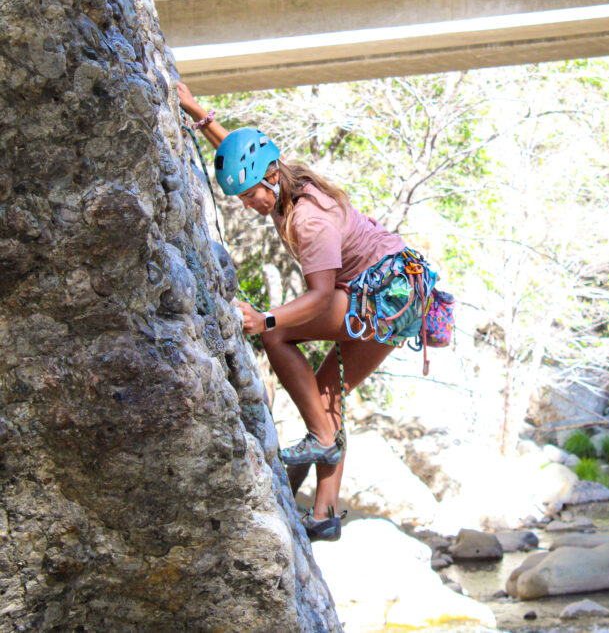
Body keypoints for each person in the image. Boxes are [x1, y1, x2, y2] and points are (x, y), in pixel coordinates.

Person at [177, 82, 437, 542]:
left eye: (250, 195)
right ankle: (325, 514)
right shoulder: (284, 179)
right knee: (326, 392)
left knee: (277, 336)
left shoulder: (309, 219)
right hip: (401, 292)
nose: (247, 204)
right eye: (240, 197)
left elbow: (319, 297)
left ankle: (321, 442)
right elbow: (243, 155)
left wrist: (265, 320)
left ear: (272, 178)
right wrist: (200, 116)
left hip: (381, 297)